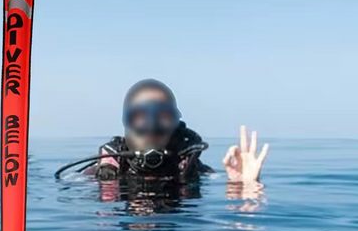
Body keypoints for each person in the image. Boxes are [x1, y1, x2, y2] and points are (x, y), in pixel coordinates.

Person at [94, 79, 269, 185]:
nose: (152, 128)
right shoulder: (96, 175)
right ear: (127, 122)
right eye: (141, 118)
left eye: (163, 118)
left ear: (175, 124)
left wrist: (244, 185)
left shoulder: (196, 172)